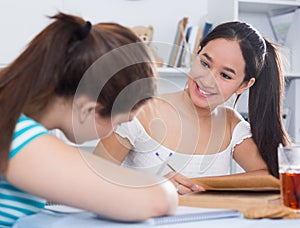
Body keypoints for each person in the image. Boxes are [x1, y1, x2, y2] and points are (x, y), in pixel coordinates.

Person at [0, 12, 178, 226]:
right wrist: (160, 184)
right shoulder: (15, 134)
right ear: (88, 110)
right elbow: (158, 200)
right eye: (120, 122)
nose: (115, 131)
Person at [94, 21, 291, 195]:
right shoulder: (139, 111)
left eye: (225, 76)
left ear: (244, 85)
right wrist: (150, 184)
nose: (207, 80)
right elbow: (91, 180)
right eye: (205, 63)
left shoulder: (230, 123)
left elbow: (269, 178)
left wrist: (200, 184)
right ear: (196, 54)